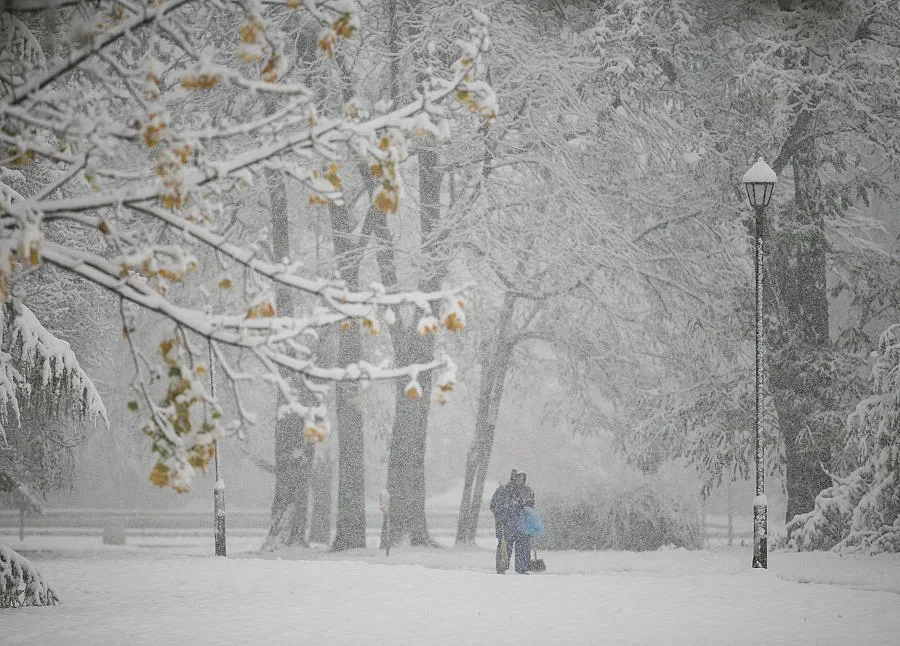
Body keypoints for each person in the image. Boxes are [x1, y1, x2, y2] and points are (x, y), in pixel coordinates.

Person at [507, 471, 536, 574]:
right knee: (508, 546)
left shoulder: (528, 490)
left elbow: (532, 506)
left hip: (524, 522)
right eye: (518, 477)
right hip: (511, 522)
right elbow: (506, 505)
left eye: (522, 477)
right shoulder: (509, 489)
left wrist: (532, 519)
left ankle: (523, 567)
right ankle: (503, 566)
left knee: (524, 545)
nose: (520, 479)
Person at [490, 470, 517, 574]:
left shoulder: (514, 491)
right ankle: (501, 566)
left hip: (510, 523)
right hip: (502, 523)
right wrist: (500, 515)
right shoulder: (501, 491)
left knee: (506, 545)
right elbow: (494, 506)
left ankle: (504, 565)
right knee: (503, 544)